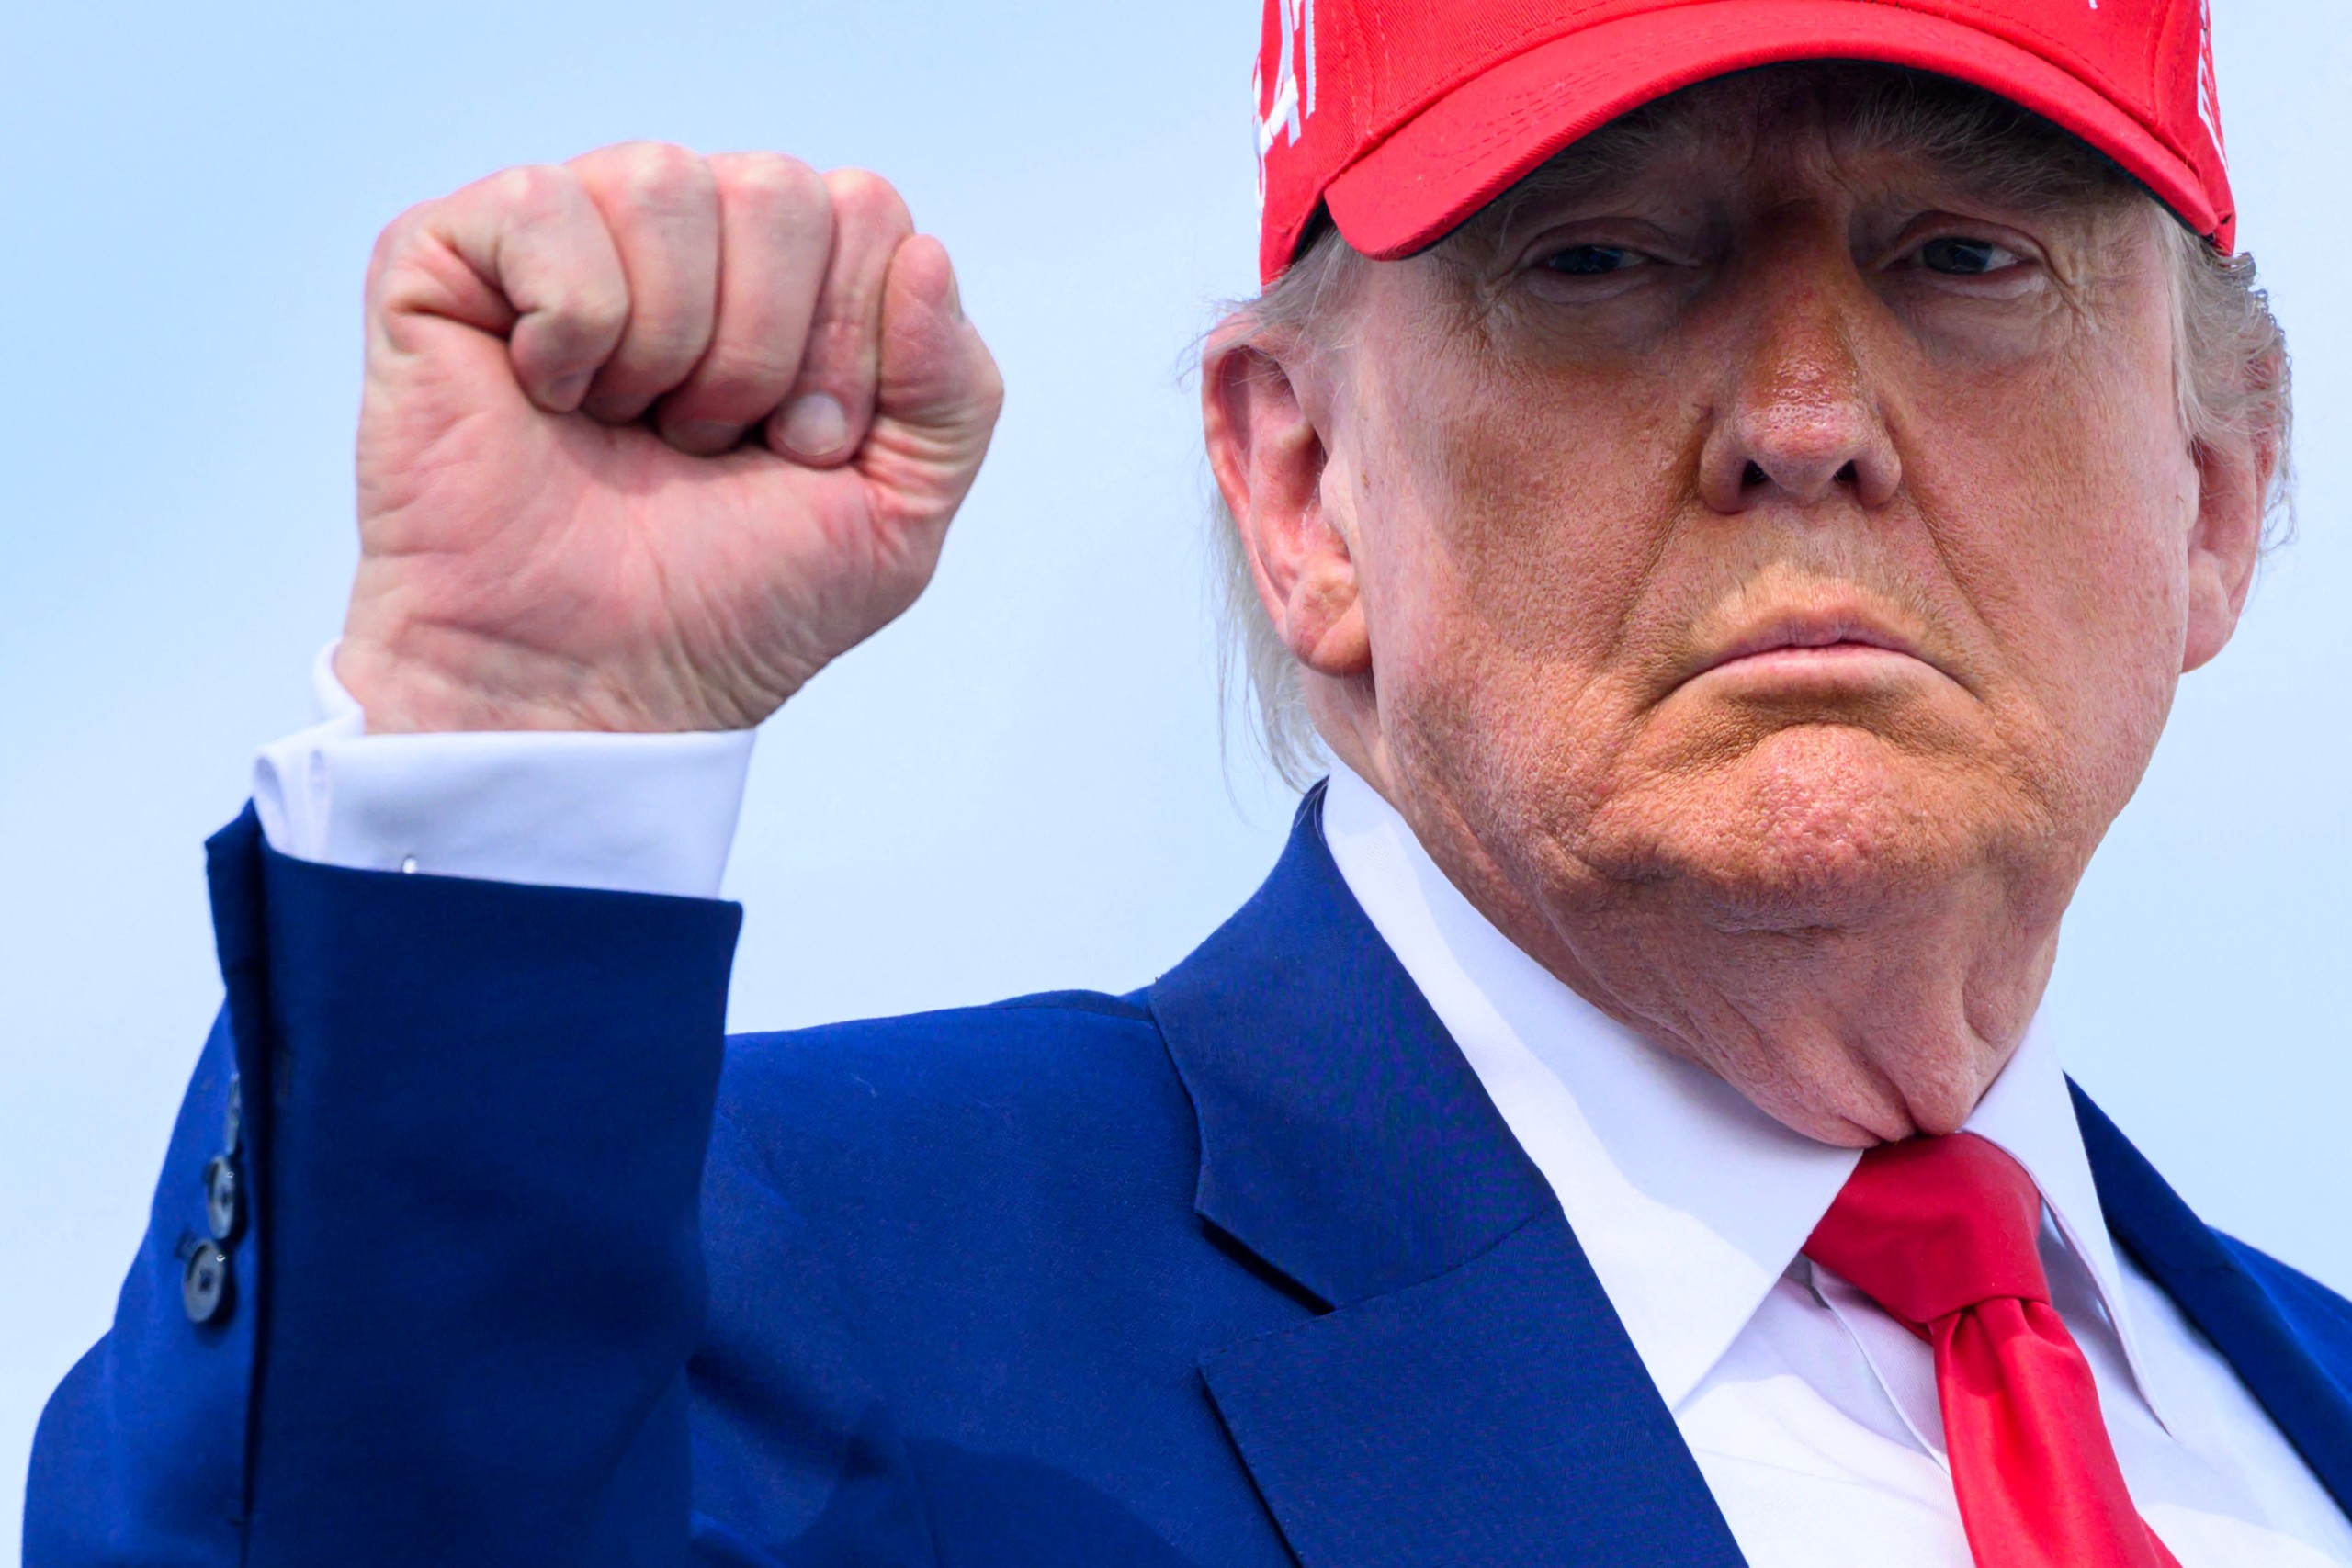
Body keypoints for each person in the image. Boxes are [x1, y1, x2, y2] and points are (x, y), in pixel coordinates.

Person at [24, 1, 2348, 1564]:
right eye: (1602, 256)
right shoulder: (757, 1292)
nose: (1802, 412)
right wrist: (514, 744)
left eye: (1961, 253)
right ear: (1302, 482)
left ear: (2216, 488)